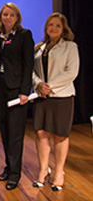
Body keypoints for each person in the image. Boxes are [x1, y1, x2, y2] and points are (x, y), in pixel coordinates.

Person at [0, 3, 34, 190]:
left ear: (17, 18)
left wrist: (25, 91)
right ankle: (9, 167)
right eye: (5, 14)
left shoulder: (24, 36)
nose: (8, 17)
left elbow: (28, 64)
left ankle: (15, 174)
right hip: (0, 88)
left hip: (17, 90)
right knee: (5, 130)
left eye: (12, 14)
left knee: (15, 133)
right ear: (1, 16)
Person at [32, 12, 79, 191]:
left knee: (60, 135)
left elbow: (71, 72)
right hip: (42, 97)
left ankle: (58, 172)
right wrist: (38, 85)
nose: (53, 28)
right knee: (41, 134)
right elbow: (32, 71)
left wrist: (49, 86)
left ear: (63, 29)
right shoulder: (39, 47)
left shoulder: (70, 47)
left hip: (61, 97)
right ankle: (43, 170)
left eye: (57, 25)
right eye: (50, 25)